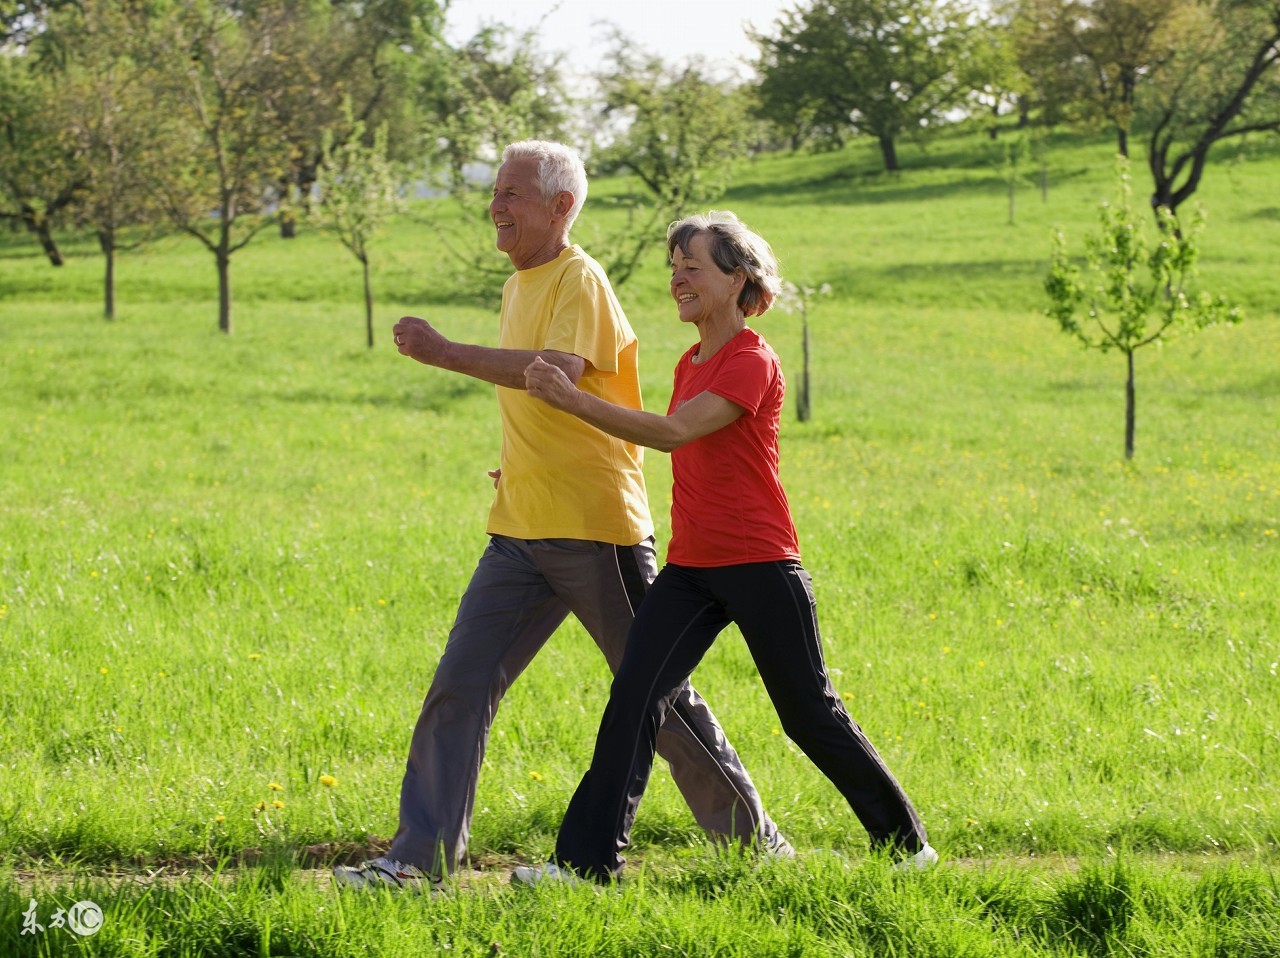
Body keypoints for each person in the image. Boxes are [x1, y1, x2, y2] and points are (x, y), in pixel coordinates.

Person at [333, 144, 789, 892]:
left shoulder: (580, 278)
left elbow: (558, 375)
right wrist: (521, 463)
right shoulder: (520, 283)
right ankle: (416, 863)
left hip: (595, 527)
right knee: (461, 685)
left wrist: (446, 353)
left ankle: (754, 843)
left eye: (512, 193)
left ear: (560, 207)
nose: (496, 207)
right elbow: (539, 398)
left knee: (657, 697)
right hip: (518, 526)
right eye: (494, 191)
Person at [514, 211, 936, 885]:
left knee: (808, 714)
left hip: (761, 564)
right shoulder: (691, 359)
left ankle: (906, 846)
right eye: (673, 267)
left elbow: (675, 431)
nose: (678, 279)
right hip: (692, 569)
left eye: (694, 267)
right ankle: (586, 864)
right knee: (633, 701)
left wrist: (569, 399)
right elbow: (659, 435)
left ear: (737, 280)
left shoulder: (750, 361)